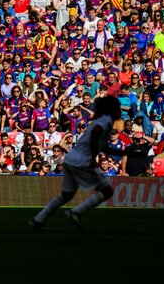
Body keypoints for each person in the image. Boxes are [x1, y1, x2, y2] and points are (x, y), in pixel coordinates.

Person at [28, 95, 122, 230]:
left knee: (66, 195)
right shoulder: (106, 120)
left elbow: (103, 145)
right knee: (106, 191)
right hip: (82, 161)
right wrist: (92, 158)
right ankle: (76, 212)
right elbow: (96, 134)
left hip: (71, 159)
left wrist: (124, 153)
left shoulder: (99, 120)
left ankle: (38, 219)